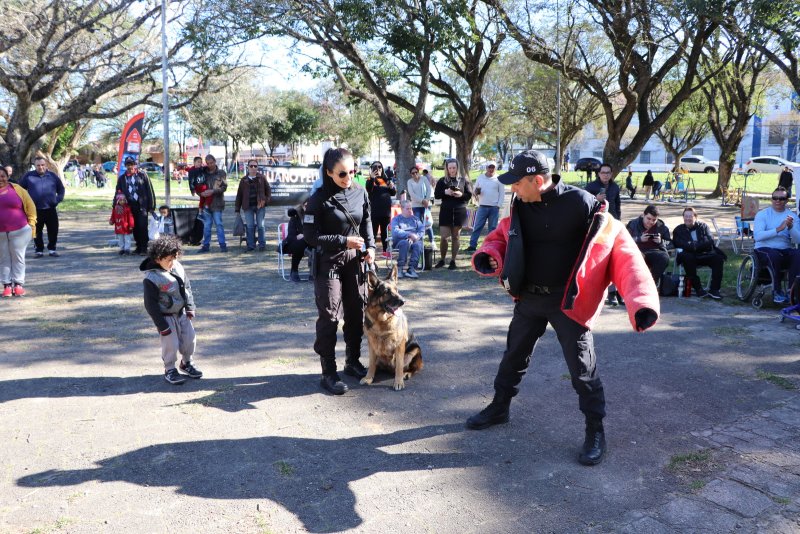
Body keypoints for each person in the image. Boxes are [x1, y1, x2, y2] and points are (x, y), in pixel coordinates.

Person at [466, 150, 659, 466]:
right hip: (529, 298)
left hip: (568, 302)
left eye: (517, 183)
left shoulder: (582, 204)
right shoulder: (521, 203)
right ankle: (500, 406)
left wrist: (640, 302)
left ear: (537, 180)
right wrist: (491, 253)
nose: (512, 189)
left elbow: (622, 251)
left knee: (583, 371)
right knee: (513, 356)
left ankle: (595, 430)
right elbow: (503, 235)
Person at [304, 147, 376, 395]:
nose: (348, 178)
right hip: (329, 263)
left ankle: (352, 361)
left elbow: (366, 220)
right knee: (330, 317)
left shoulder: (359, 191)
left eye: (353, 172)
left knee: (356, 313)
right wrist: (343, 241)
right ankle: (328, 371)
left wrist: (372, 247)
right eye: (343, 174)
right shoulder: (318, 199)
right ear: (329, 172)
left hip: (355, 262)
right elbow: (311, 237)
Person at [140, 234, 202, 385]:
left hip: (181, 313)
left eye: (174, 258)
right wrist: (162, 325)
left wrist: (190, 306)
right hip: (166, 317)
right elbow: (150, 305)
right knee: (171, 344)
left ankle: (186, 363)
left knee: (190, 339)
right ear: (157, 259)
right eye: (168, 260)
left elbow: (187, 286)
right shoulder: (152, 278)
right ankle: (170, 369)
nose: (172, 263)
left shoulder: (177, 267)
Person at [753, 187, 800, 304]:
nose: (778, 201)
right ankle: (777, 291)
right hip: (764, 248)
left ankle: (792, 292)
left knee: (798, 254)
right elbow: (758, 236)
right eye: (775, 198)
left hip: (784, 249)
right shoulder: (762, 214)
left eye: (781, 198)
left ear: (787, 200)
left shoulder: (792, 216)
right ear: (771, 199)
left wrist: (790, 227)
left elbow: (798, 240)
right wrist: (779, 229)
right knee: (774, 255)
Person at [672, 207, 726, 299]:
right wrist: (695, 246)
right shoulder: (678, 230)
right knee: (687, 258)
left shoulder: (703, 227)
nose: (688, 218)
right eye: (686, 216)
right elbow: (678, 243)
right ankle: (698, 289)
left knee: (718, 259)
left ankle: (714, 290)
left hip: (704, 254)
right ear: (683, 217)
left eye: (690, 216)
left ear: (695, 217)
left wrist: (693, 246)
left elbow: (710, 241)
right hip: (689, 256)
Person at [0, 166, 36, 297]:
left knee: (18, 257)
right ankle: (7, 285)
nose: (0, 179)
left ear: (7, 176)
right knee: (3, 258)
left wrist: (32, 224)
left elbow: (30, 206)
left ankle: (18, 284)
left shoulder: (17, 189)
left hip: (20, 230)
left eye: (3, 176)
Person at [19, 156, 65, 258]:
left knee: (53, 230)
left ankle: (52, 249)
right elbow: (20, 190)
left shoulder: (53, 176)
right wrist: (25, 203)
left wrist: (57, 199)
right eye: (38, 165)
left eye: (43, 165)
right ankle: (38, 250)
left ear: (46, 165)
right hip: (35, 210)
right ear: (34, 166)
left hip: (50, 209)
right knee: (36, 231)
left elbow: (61, 189)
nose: (41, 167)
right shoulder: (28, 176)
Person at [434, 158, 473, 269]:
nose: (452, 170)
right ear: (447, 168)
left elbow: (469, 195)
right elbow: (436, 195)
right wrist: (445, 192)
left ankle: (453, 260)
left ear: (457, 168)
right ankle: (442, 259)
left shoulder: (463, 180)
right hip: (445, 211)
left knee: (456, 237)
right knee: (444, 237)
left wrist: (461, 195)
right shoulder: (442, 181)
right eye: (450, 168)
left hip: (459, 210)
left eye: (454, 168)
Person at [115, 156, 156, 255]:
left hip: (142, 205)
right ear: (125, 166)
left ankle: (144, 248)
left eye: (132, 164)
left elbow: (150, 191)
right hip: (129, 207)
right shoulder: (122, 178)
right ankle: (138, 247)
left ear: (135, 165)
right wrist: (115, 206)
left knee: (142, 226)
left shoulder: (143, 175)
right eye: (128, 165)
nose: (130, 167)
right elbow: (117, 192)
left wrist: (151, 206)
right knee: (134, 227)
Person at [626, 205, 672, 284]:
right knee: (638, 257)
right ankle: (636, 284)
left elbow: (670, 243)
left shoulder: (661, 227)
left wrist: (660, 242)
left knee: (664, 258)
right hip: (638, 250)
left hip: (655, 251)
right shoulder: (633, 224)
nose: (651, 222)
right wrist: (639, 239)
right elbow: (625, 240)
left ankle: (650, 283)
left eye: (654, 220)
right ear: (643, 215)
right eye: (648, 218)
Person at [466, 161, 505, 252]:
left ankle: (491, 246)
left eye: (493, 167)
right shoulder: (480, 177)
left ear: (495, 168)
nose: (491, 169)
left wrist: (498, 205)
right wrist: (476, 193)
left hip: (494, 208)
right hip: (482, 206)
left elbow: (502, 194)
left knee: (492, 228)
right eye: (489, 167)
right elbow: (475, 190)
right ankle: (472, 245)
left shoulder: (499, 178)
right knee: (477, 226)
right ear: (486, 168)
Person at [235, 159, 272, 252]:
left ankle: (262, 245)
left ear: (257, 167)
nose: (253, 168)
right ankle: (251, 245)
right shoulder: (243, 180)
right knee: (250, 226)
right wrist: (237, 209)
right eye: (251, 166)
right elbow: (239, 195)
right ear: (247, 167)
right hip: (248, 207)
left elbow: (268, 191)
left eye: (255, 166)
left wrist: (265, 201)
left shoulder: (262, 178)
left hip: (260, 206)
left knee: (261, 226)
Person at [365, 161, 396, 259]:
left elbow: (393, 193)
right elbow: (368, 189)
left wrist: (392, 187)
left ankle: (385, 251)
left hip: (386, 212)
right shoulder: (370, 180)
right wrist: (372, 178)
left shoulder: (386, 180)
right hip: (374, 212)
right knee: (373, 233)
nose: (377, 169)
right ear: (372, 169)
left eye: (379, 167)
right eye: (375, 167)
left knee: (385, 233)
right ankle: (371, 251)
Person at [198, 154, 228, 253]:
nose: (210, 165)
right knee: (207, 225)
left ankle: (223, 245)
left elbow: (224, 187)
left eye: (211, 163)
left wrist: (213, 191)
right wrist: (201, 193)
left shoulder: (221, 173)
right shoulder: (203, 173)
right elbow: (198, 186)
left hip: (217, 203)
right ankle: (206, 245)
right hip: (206, 203)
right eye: (208, 163)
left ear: (215, 162)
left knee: (219, 224)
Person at [390, 200, 424, 279]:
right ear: (402, 209)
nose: (410, 211)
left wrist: (415, 237)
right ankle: (400, 268)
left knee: (418, 244)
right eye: (407, 209)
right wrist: (408, 235)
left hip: (414, 240)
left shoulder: (416, 219)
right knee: (405, 243)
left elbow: (422, 230)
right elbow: (395, 231)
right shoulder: (396, 219)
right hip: (400, 241)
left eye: (411, 208)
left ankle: (411, 269)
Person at [282, 202, 311, 282]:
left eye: (309, 203)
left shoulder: (314, 214)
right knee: (300, 244)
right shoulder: (295, 216)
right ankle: (294, 271)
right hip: (294, 242)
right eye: (305, 204)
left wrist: (304, 235)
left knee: (316, 246)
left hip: (310, 242)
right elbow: (291, 236)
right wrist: (299, 236)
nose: (307, 205)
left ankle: (313, 272)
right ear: (302, 205)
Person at [406, 166, 434, 244]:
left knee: (427, 223)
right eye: (413, 173)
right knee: (418, 224)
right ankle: (420, 242)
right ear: (410, 174)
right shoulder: (409, 182)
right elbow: (412, 194)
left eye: (416, 172)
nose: (415, 174)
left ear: (418, 172)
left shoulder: (424, 179)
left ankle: (432, 242)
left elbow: (429, 189)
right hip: (416, 205)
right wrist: (422, 201)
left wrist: (427, 200)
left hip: (426, 205)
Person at [109, 190, 135, 256]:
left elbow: (130, 217)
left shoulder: (127, 208)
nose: (122, 201)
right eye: (121, 200)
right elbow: (113, 216)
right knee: (120, 238)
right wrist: (112, 220)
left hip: (126, 227)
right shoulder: (115, 209)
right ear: (118, 201)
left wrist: (131, 225)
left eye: (123, 200)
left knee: (127, 238)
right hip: (119, 226)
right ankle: (122, 248)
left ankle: (127, 249)